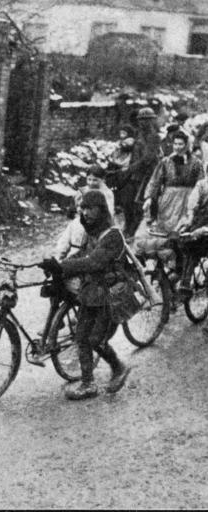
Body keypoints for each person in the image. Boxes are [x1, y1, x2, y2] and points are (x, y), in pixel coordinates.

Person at [41, 191, 131, 400]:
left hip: (110, 296)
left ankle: (118, 367)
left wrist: (62, 266)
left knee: (96, 340)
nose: (86, 212)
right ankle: (88, 383)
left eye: (91, 208)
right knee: (81, 337)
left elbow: (93, 262)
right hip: (91, 293)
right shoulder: (90, 233)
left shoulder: (113, 235)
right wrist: (55, 266)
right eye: (83, 208)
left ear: (101, 210)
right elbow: (81, 255)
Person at [134, 130, 203, 277]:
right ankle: (169, 264)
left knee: (183, 231)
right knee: (165, 233)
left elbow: (201, 183)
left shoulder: (196, 162)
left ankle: (185, 264)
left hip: (189, 199)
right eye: (175, 144)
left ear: (186, 145)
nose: (178, 147)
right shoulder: (165, 162)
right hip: (168, 202)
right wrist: (149, 198)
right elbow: (155, 181)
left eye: (181, 144)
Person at [117, 107, 162, 237]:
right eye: (141, 120)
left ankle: (136, 232)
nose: (143, 123)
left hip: (148, 175)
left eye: (146, 120)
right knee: (127, 201)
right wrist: (128, 168)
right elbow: (134, 154)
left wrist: (131, 168)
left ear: (152, 121)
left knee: (140, 205)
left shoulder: (154, 137)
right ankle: (128, 228)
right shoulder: (138, 134)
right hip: (135, 174)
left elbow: (148, 158)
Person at [54, 165, 115, 261]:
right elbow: (73, 210)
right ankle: (59, 260)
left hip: (99, 223)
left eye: (95, 180)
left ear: (103, 180)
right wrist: (79, 211)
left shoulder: (106, 193)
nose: (91, 183)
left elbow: (108, 212)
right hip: (81, 220)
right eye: (89, 179)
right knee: (67, 239)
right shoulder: (82, 191)